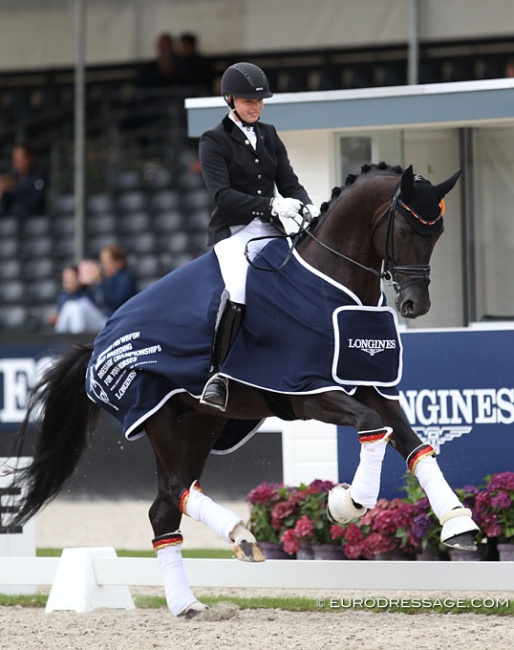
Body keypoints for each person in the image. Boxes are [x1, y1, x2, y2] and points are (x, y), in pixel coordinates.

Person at [198, 61, 320, 411]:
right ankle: (217, 374)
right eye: (248, 100)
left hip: (271, 228)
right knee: (239, 287)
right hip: (233, 230)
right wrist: (270, 205)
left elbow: (290, 181)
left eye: (260, 100)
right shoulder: (213, 140)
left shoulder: (269, 134)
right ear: (230, 99)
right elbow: (221, 195)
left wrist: (304, 205)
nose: (256, 106)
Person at [50, 264, 106, 334]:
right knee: (70, 306)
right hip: (74, 329)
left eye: (71, 278)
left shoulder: (89, 290)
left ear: (79, 278)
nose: (68, 281)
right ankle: (60, 340)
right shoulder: (63, 297)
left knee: (73, 306)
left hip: (99, 325)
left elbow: (98, 308)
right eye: (65, 278)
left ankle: (74, 339)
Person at [0, 143, 46, 219]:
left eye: (20, 158)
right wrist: (4, 193)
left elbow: (35, 202)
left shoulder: (38, 178)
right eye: (15, 159)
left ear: (29, 159)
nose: (17, 163)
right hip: (13, 221)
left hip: (32, 221)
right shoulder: (14, 178)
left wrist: (15, 188)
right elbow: (6, 206)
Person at [94, 244, 138, 317]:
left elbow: (116, 301)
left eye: (107, 262)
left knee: (74, 308)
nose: (104, 266)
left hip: (117, 318)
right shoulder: (107, 279)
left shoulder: (126, 278)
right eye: (102, 262)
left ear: (119, 263)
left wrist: (100, 282)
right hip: (103, 315)